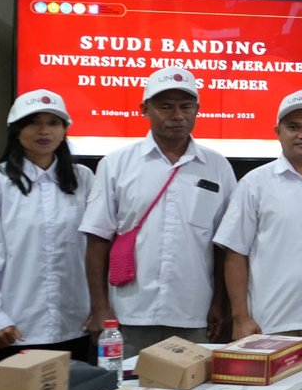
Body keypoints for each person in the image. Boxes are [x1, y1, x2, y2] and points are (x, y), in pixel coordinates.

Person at [81, 67, 236, 355]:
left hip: (194, 312)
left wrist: (220, 304)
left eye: (185, 106)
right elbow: (98, 239)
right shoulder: (116, 165)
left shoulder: (218, 167)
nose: (177, 115)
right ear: (144, 109)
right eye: (165, 106)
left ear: (197, 110)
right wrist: (100, 306)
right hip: (129, 313)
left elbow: (223, 246)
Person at [0, 89, 94, 363]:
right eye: (34, 121)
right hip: (16, 327)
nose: (44, 131)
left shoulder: (83, 179)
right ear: (16, 130)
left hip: (77, 323)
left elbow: (96, 249)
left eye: (54, 122)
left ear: (64, 129)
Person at [213, 91, 302, 344]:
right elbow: (235, 253)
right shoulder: (255, 183)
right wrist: (240, 317)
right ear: (278, 131)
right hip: (268, 323)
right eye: (293, 127)